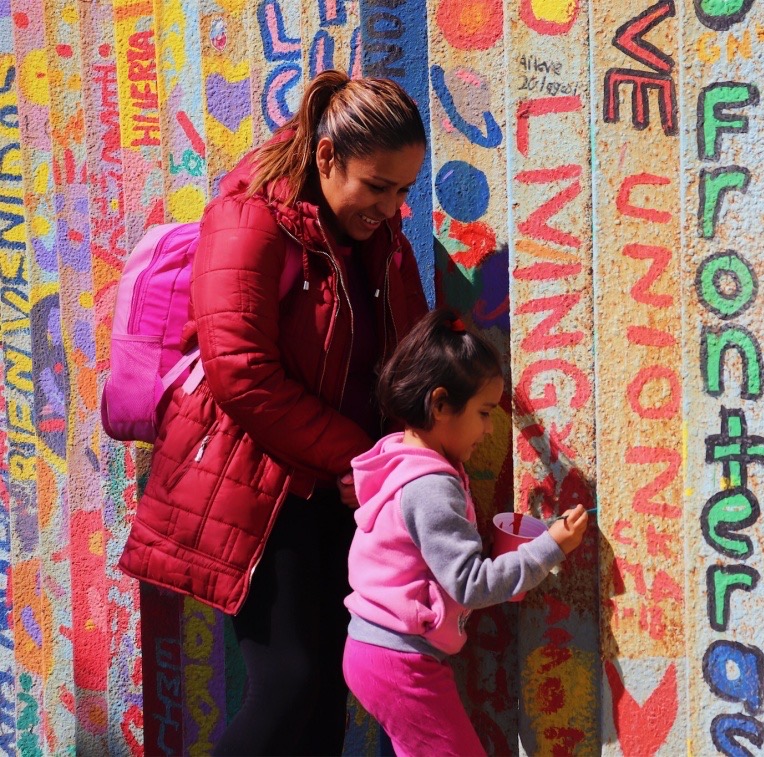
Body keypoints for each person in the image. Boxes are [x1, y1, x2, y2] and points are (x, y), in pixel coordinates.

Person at [118, 69, 430, 755]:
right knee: (289, 679)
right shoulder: (248, 218)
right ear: (327, 158)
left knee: (324, 696)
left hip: (339, 492)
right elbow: (242, 372)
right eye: (378, 186)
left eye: (403, 189)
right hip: (260, 485)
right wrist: (360, 456)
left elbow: (403, 355)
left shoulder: (381, 242)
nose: (391, 205)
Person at [341, 309, 589, 757]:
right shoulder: (431, 488)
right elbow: (471, 584)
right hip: (402, 660)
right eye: (484, 413)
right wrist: (549, 548)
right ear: (439, 405)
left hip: (379, 650)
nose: (490, 429)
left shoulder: (402, 458)